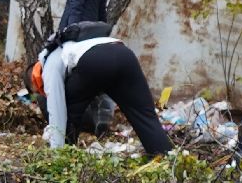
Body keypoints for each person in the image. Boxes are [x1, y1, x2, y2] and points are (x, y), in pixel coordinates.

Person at [37, 34, 171, 157]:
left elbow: (57, 108)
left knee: (69, 111)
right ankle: (166, 161)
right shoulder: (73, 46)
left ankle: (63, 160)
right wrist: (103, 123)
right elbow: (103, 92)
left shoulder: (48, 65)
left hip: (95, 60)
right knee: (145, 116)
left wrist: (56, 151)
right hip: (124, 54)